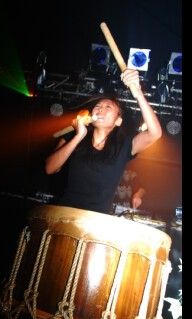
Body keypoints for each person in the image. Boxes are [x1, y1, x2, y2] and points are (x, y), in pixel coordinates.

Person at [45, 68, 161, 215]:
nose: (100, 109)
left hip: (98, 221)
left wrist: (137, 91)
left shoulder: (124, 146)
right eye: (98, 106)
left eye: (108, 107)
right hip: (65, 214)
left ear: (118, 121)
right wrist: (78, 136)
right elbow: (50, 168)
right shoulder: (74, 136)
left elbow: (155, 133)